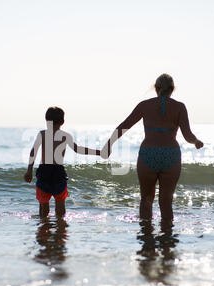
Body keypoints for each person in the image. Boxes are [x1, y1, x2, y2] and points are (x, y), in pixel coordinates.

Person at [101, 74, 204, 220]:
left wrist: (109, 144)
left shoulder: (145, 105)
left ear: (155, 88)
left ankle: (147, 236)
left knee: (146, 200)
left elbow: (124, 126)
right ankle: (166, 238)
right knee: (166, 202)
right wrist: (196, 142)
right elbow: (187, 136)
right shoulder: (179, 107)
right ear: (172, 89)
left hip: (148, 153)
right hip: (171, 155)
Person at [24, 106, 101, 217]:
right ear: (63, 122)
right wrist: (98, 152)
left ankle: (44, 228)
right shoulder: (65, 136)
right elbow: (78, 149)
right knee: (60, 204)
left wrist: (29, 170)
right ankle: (60, 228)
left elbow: (33, 152)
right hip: (58, 171)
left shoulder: (42, 134)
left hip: (44, 171)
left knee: (43, 204)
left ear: (46, 120)